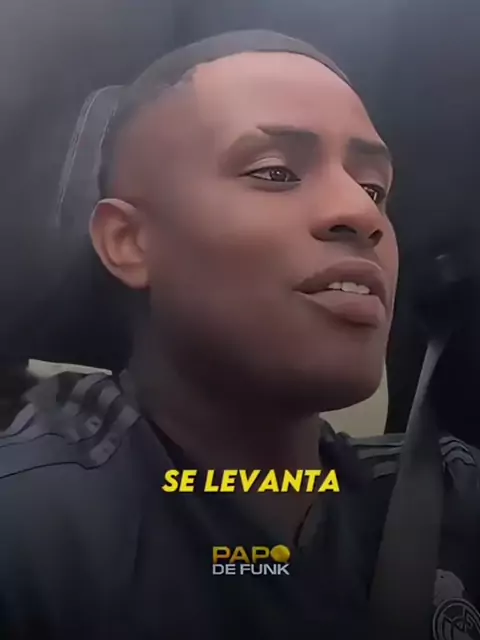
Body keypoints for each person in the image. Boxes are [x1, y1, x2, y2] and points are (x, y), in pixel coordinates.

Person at [0, 30, 478, 640]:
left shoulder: (449, 496)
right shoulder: (29, 532)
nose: (363, 215)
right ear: (129, 242)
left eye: (374, 189)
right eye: (275, 172)